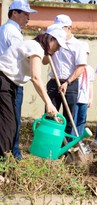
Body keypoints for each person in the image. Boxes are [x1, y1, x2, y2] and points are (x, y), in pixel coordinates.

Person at [0, 25, 67, 158]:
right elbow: (36, 78)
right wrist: (49, 103)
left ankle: (4, 164)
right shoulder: (35, 47)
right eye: (58, 45)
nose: (58, 49)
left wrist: (50, 53)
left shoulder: (36, 48)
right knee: (8, 127)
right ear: (51, 40)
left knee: (11, 125)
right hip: (3, 81)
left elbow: (43, 62)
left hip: (11, 85)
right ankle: (2, 166)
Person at [0, 0, 37, 160]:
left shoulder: (7, 29)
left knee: (6, 121)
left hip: (7, 78)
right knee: (11, 122)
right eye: (25, 13)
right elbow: (21, 54)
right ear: (14, 13)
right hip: (9, 80)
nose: (28, 17)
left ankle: (9, 155)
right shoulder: (11, 30)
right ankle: (10, 156)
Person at [43, 14, 87, 138]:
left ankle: (65, 148)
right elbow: (44, 61)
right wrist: (48, 51)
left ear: (69, 28)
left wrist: (67, 82)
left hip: (70, 84)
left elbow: (81, 68)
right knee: (50, 114)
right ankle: (49, 144)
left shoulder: (78, 45)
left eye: (61, 28)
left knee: (68, 117)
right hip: (53, 82)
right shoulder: (52, 42)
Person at [72, 42, 94, 136]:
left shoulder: (90, 69)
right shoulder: (74, 68)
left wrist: (90, 98)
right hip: (75, 98)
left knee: (82, 120)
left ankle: (79, 139)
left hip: (84, 99)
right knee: (73, 119)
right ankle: (71, 139)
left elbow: (90, 84)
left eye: (86, 54)